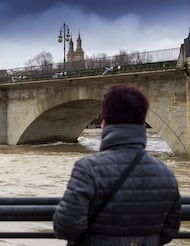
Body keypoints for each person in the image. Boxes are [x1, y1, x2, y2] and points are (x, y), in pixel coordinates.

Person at [53, 85, 181, 245]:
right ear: (142, 122)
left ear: (104, 123)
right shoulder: (166, 173)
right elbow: (170, 229)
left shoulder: (87, 169)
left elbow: (65, 226)